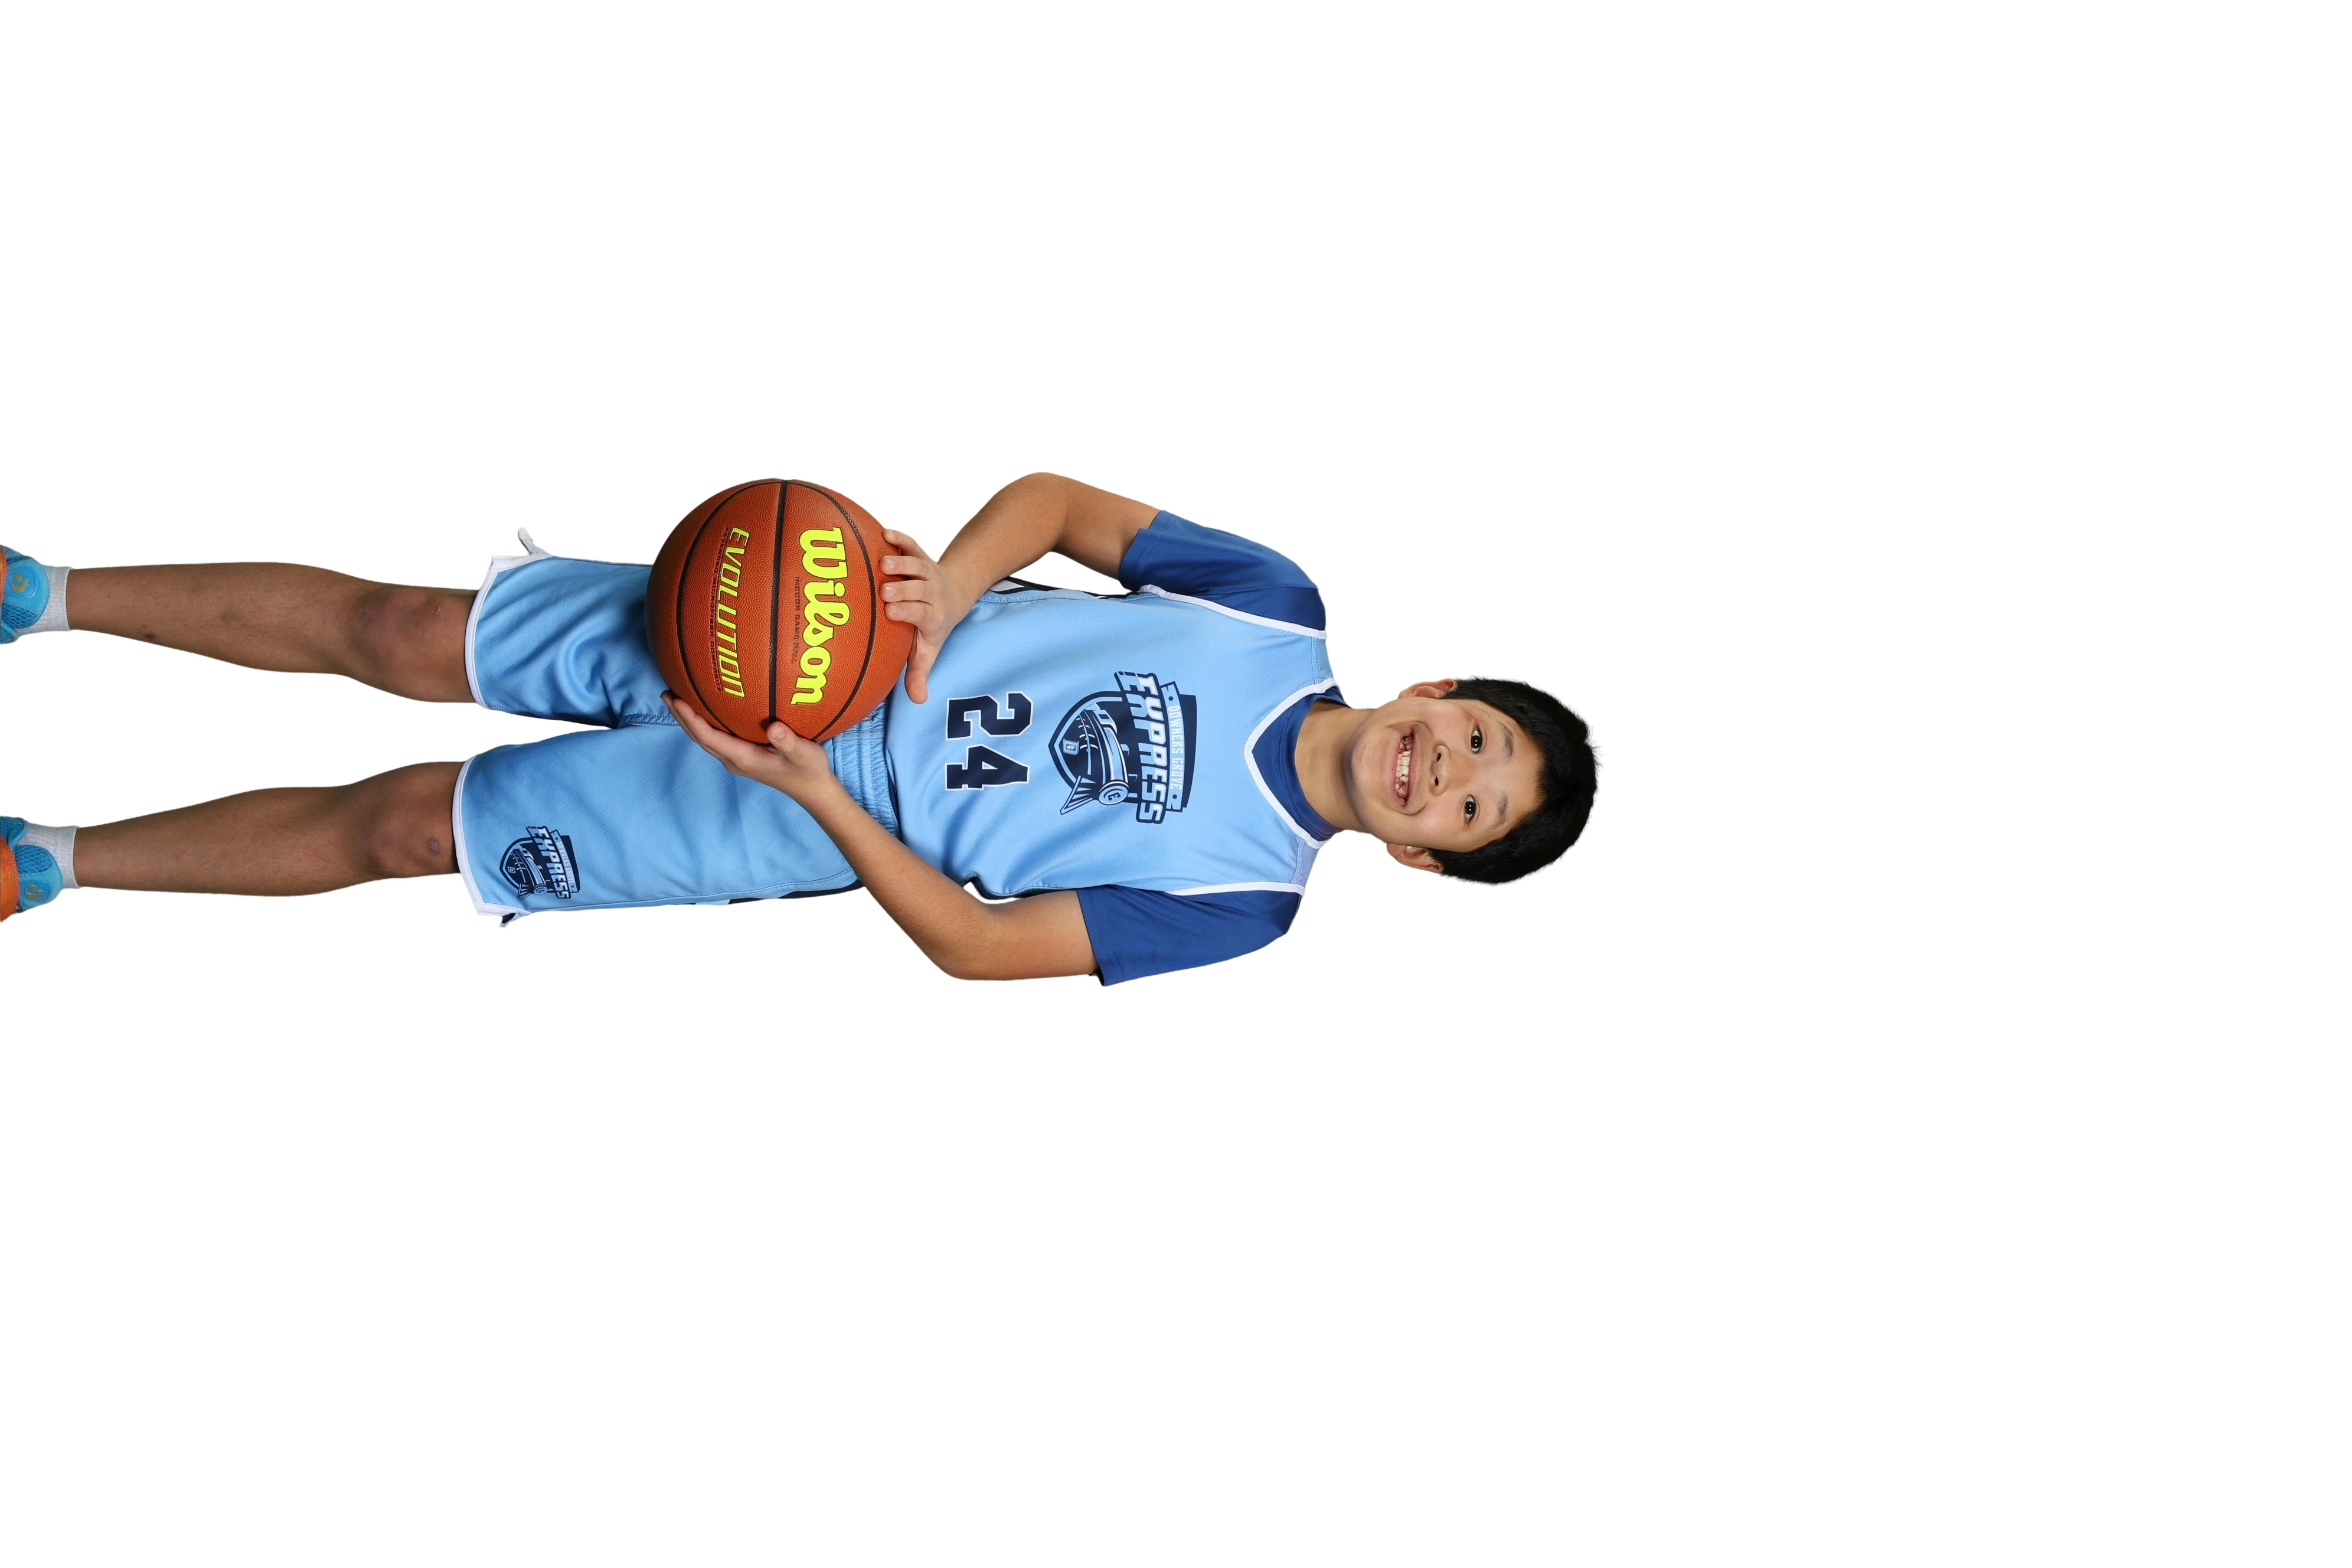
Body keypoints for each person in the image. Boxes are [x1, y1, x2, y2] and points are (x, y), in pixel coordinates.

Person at [2, 474, 1603, 982]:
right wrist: (949, 586)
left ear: (1423, 860)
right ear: (1435, 693)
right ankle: (47, 591)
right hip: (802, 634)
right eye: (1478, 738)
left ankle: (57, 861)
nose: (1448, 774)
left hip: (778, 807)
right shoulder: (1271, 604)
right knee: (408, 636)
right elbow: (1058, 501)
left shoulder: (1239, 902)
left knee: (411, 831)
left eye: (1472, 809)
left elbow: (985, 950)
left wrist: (827, 799)